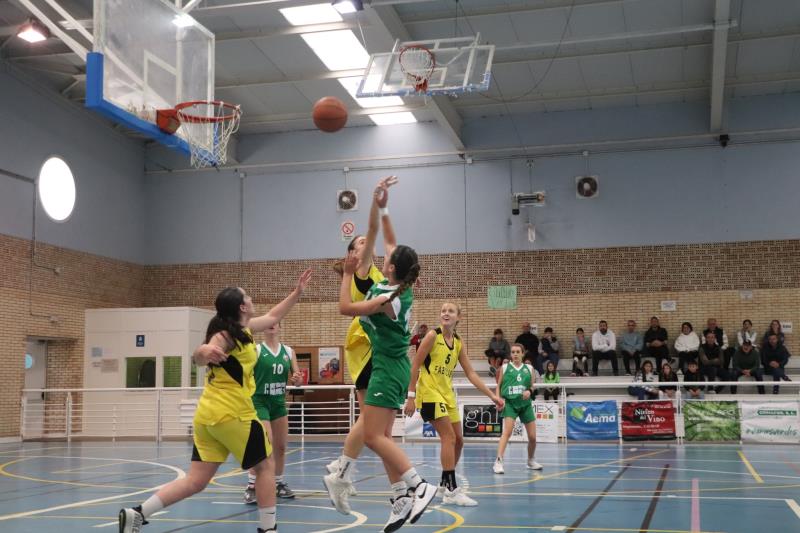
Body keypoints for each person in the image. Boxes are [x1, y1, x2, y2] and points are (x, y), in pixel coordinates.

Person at [119, 272, 312, 533]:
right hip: (234, 415)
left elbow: (274, 316)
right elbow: (202, 353)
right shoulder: (224, 335)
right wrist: (202, 352)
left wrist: (297, 292)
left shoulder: (242, 330)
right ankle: (269, 529)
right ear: (242, 306)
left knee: (196, 481)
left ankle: (138, 514)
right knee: (266, 467)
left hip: (208, 417)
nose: (252, 298)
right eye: (248, 297)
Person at [328, 245, 436, 533]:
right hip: (390, 366)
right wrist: (383, 209)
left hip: (387, 369)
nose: (382, 258)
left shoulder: (386, 297)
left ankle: (419, 485)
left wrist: (347, 275)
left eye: (386, 259)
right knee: (384, 436)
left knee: (374, 437)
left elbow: (345, 309)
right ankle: (401, 497)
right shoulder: (389, 286)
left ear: (391, 269)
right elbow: (390, 246)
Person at [326, 176, 398, 496]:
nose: (363, 245)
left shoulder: (376, 273)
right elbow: (373, 232)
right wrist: (375, 202)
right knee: (374, 422)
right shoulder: (363, 270)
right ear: (354, 256)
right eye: (357, 245)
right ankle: (344, 467)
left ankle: (343, 469)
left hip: (373, 347)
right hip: (370, 349)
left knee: (377, 425)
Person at [404, 302, 504, 507]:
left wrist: (491, 395)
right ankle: (451, 489)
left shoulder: (458, 342)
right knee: (448, 437)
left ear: (459, 317)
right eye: (443, 311)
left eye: (450, 311)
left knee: (459, 440)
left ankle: (443, 483)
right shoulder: (432, 336)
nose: (445, 313)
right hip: (429, 393)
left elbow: (471, 373)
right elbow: (415, 364)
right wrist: (411, 396)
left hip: (447, 395)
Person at [243, 322, 304, 504]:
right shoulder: (256, 350)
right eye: (268, 324)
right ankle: (251, 485)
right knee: (264, 445)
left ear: (279, 327)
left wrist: (297, 379)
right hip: (259, 401)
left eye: (275, 324)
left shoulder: (288, 351)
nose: (271, 326)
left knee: (281, 447)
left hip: (278, 402)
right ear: (263, 328)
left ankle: (278, 483)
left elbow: (298, 382)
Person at [493, 344, 543, 474]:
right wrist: (498, 399)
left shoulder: (529, 368)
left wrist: (529, 391)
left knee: (532, 437)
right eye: (513, 352)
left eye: (517, 352)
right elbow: (498, 386)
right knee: (507, 432)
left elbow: (532, 386)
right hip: (510, 403)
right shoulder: (504, 368)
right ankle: (498, 461)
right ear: (510, 354)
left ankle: (531, 460)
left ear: (522, 353)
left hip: (525, 404)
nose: (515, 354)